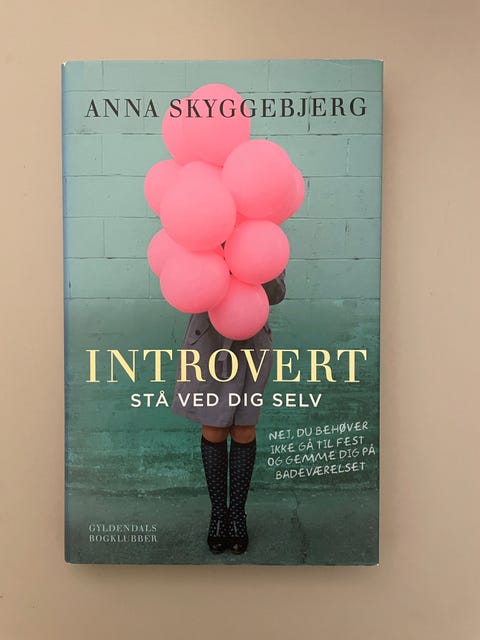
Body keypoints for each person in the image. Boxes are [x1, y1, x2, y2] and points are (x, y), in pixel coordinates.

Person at [172, 273, 286, 554]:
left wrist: (256, 272)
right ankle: (218, 514)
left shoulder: (264, 245)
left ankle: (237, 514)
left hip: (252, 339)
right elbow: (185, 290)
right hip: (207, 340)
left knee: (244, 428)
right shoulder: (201, 249)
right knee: (214, 428)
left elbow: (277, 294)